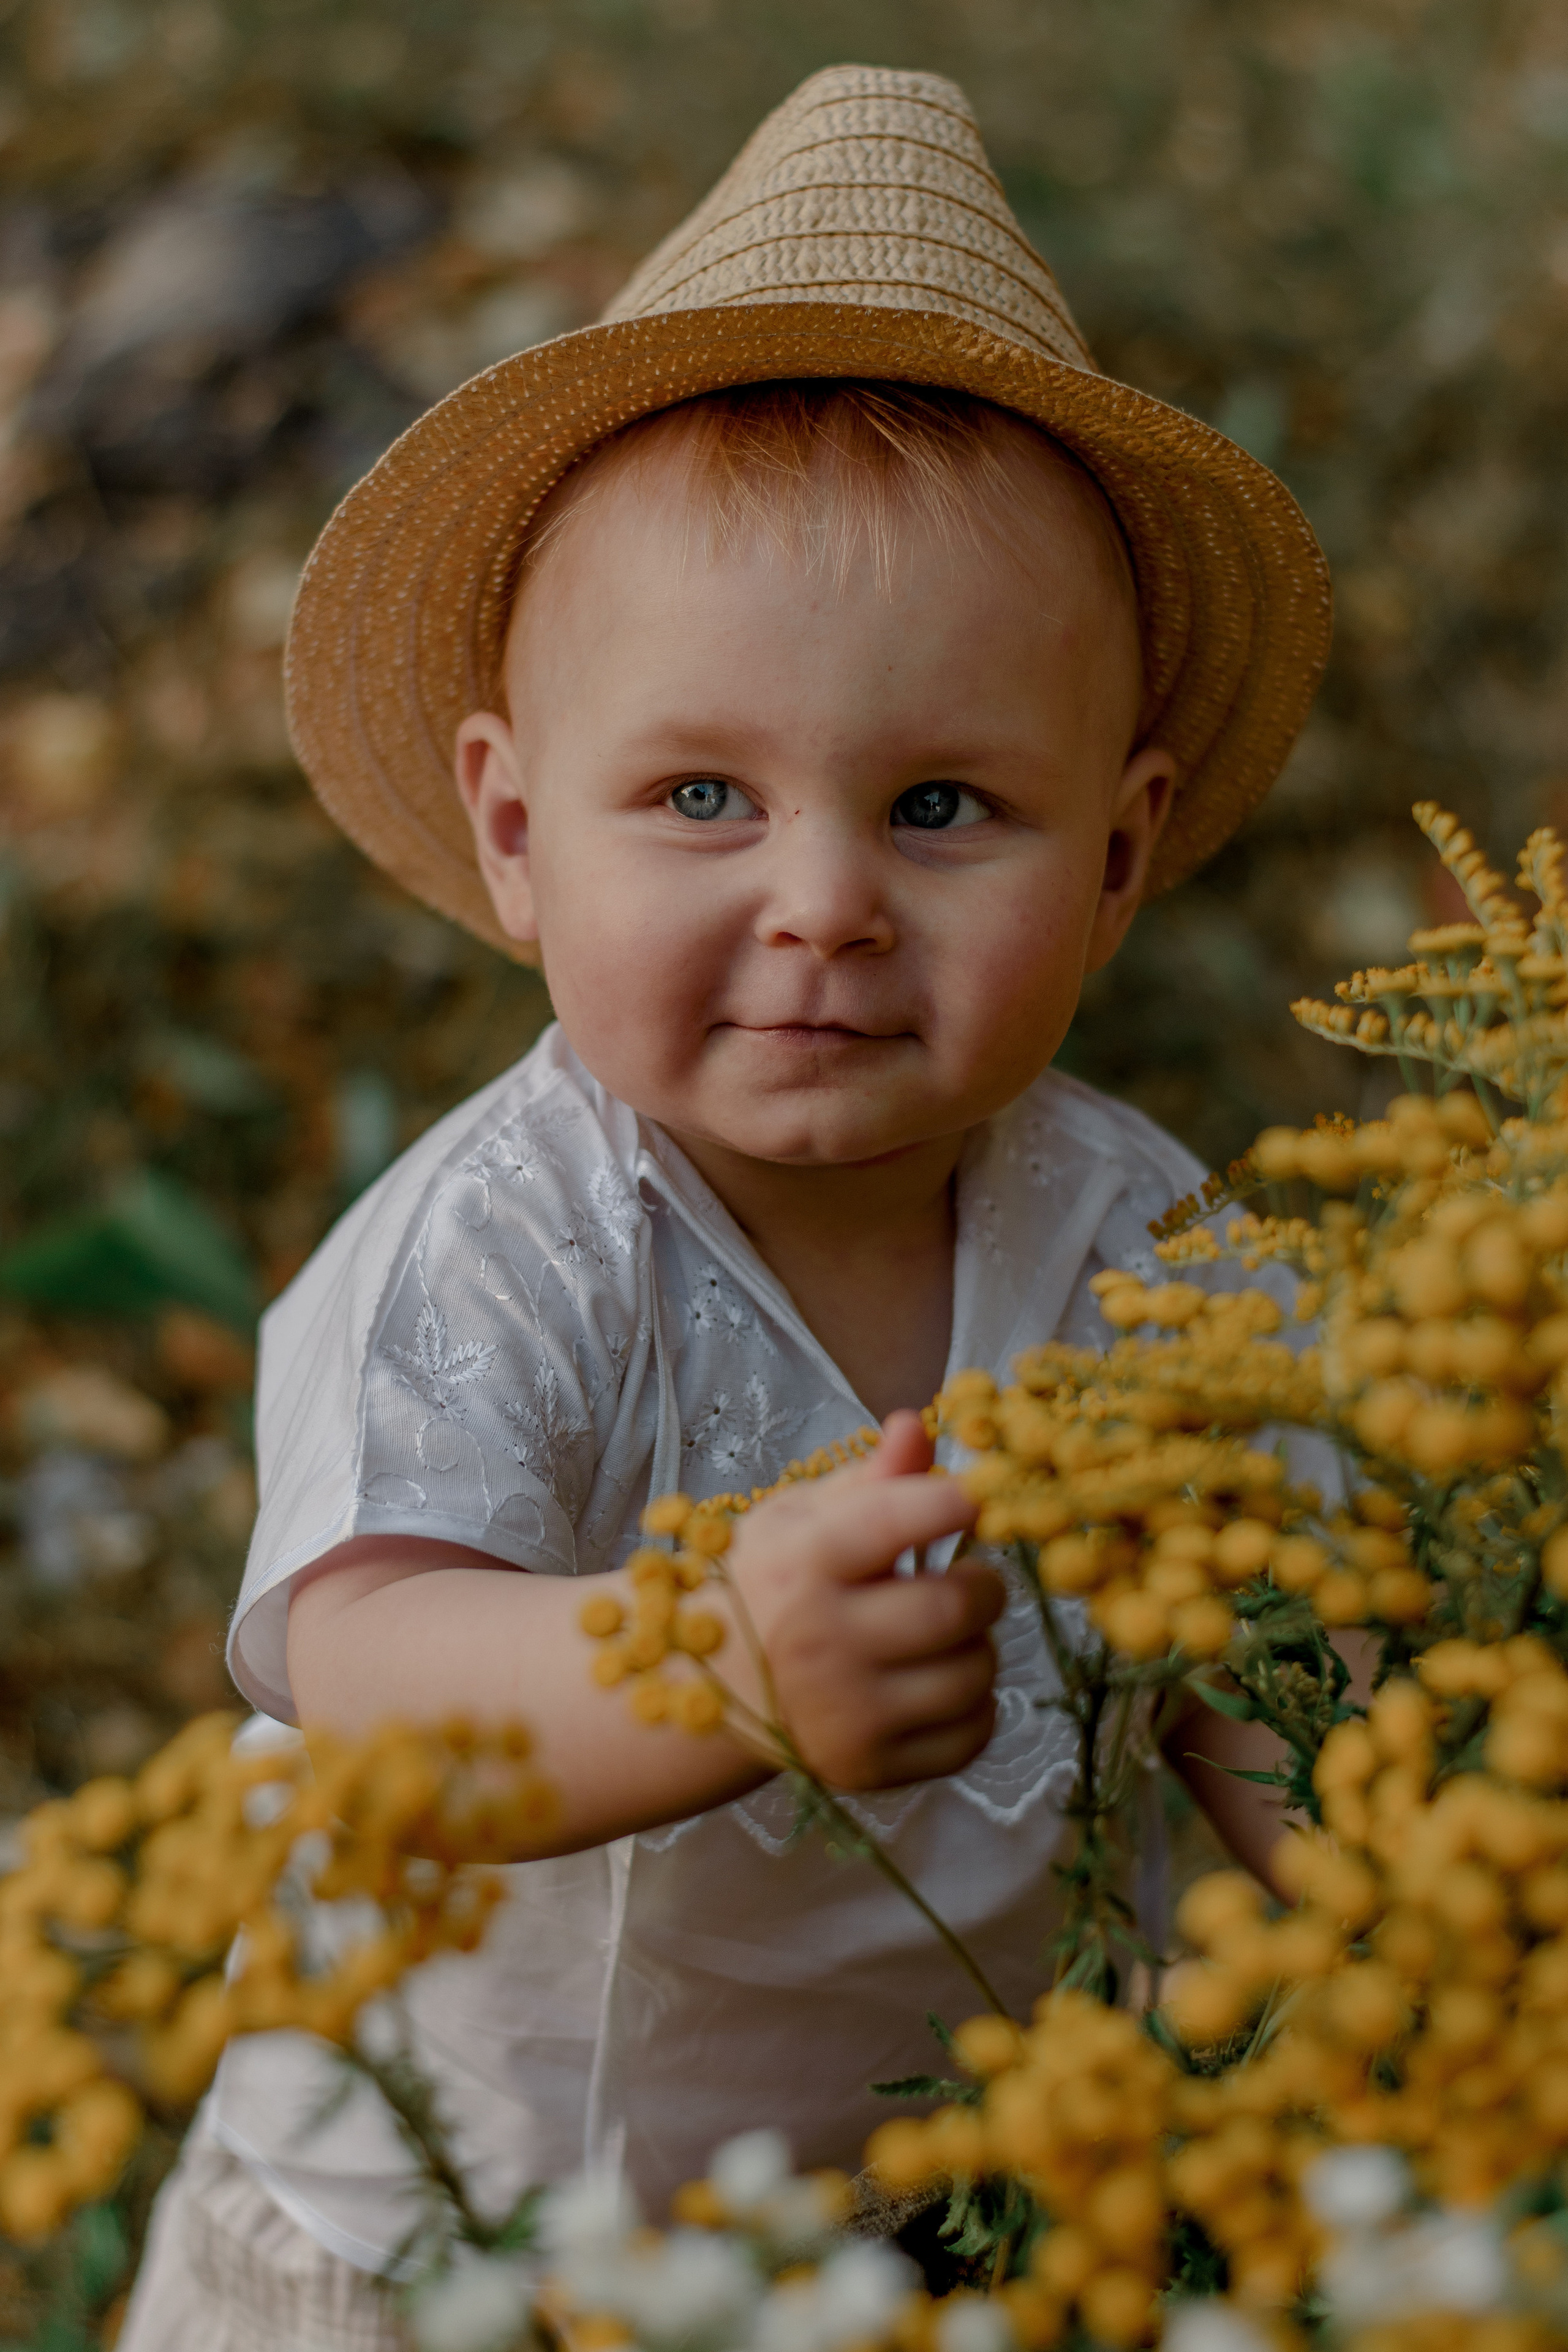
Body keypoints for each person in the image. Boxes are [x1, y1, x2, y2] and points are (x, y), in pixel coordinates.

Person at [120, 62, 1332, 2351]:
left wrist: (1387, 1938)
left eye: (944, 804)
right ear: (513, 832)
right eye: (699, 793)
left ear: (1121, 854)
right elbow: (370, 1671)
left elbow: (1273, 1671)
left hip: (923, 2221)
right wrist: (711, 1663)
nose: (823, 904)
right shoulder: (514, 1241)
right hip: (449, 2236)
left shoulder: (1151, 1251)